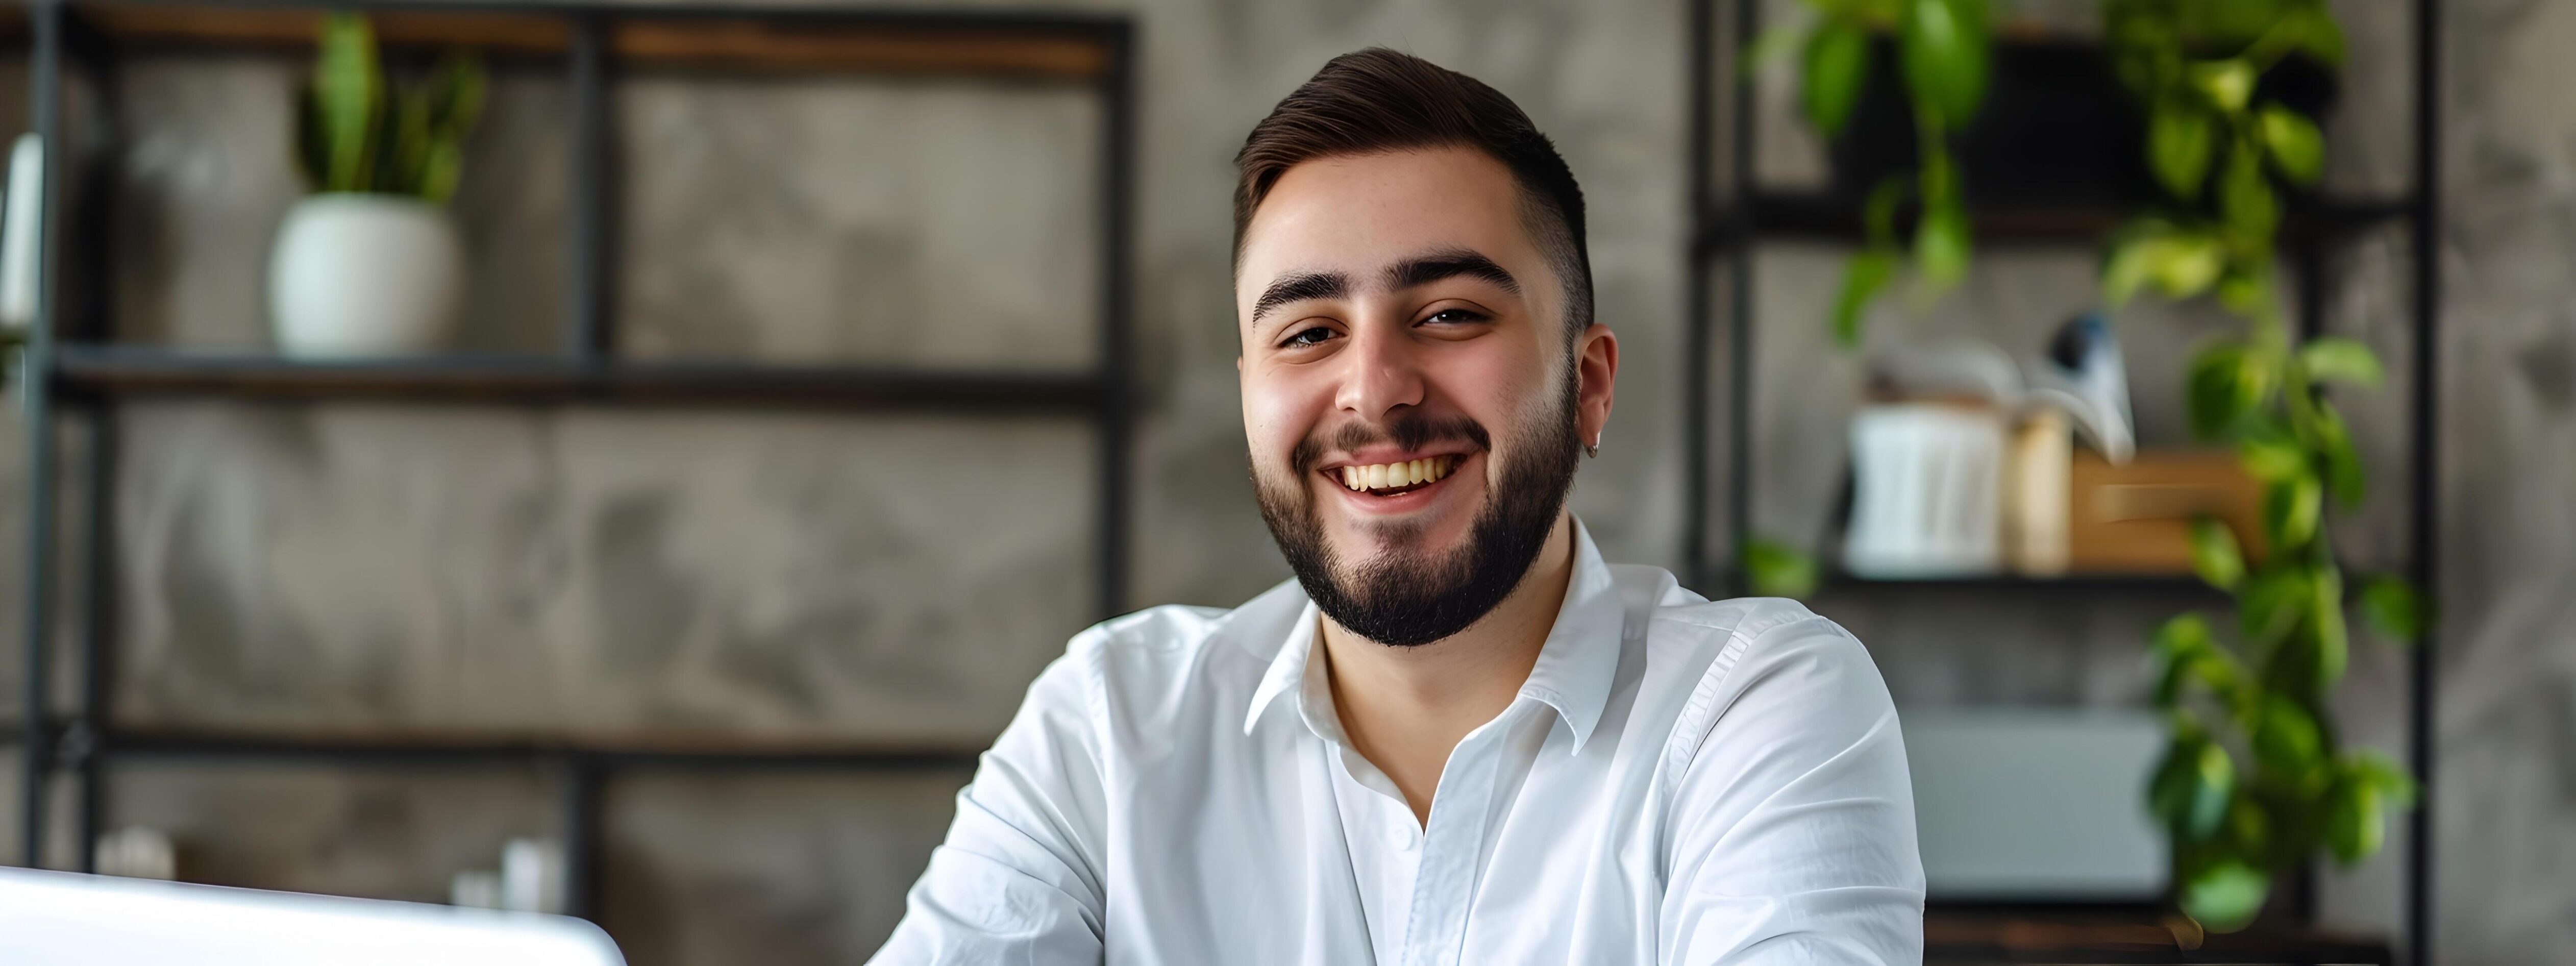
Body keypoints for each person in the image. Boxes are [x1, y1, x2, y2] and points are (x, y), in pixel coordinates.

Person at [871, 48, 1923, 965]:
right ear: (1247, 394)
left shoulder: (1753, 710)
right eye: (1307, 331)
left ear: (1590, 380)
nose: (1373, 390)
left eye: (1449, 313)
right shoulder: (1107, 730)